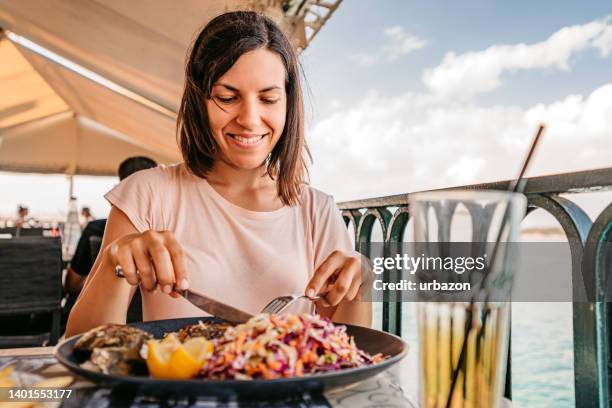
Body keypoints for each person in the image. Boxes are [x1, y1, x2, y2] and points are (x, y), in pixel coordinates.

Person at [66, 11, 371, 337]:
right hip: (178, 387)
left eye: (268, 98)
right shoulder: (149, 193)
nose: (250, 119)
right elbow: (79, 343)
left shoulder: (317, 210)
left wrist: (363, 278)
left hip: (285, 388)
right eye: (228, 97)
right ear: (199, 101)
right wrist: (117, 264)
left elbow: (348, 349)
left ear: (288, 104)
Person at [64, 156, 158, 296]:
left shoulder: (95, 229)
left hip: (101, 312)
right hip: (155, 316)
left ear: (120, 188)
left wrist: (101, 281)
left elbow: (72, 285)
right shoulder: (164, 235)